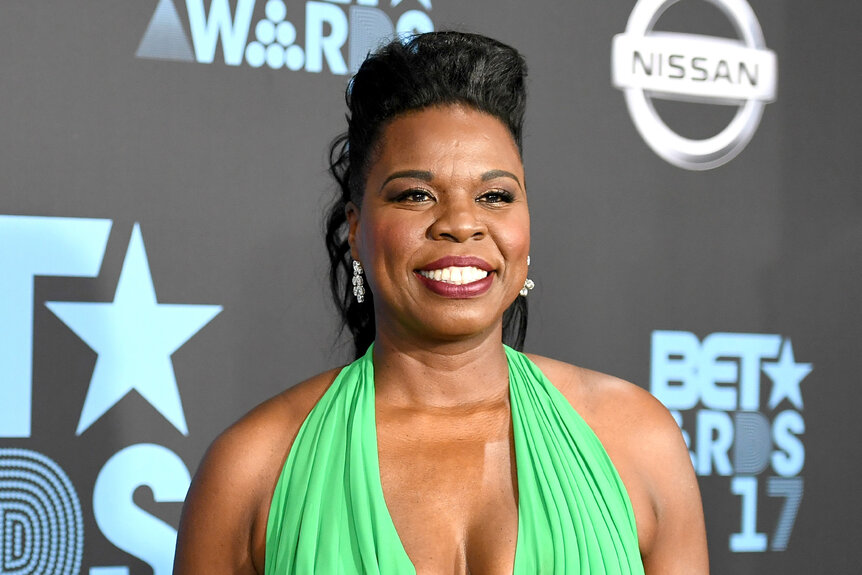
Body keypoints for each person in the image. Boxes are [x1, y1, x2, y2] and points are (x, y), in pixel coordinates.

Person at [173, 31, 708, 574]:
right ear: (356, 231)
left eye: (494, 196)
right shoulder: (252, 469)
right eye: (415, 195)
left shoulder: (638, 441)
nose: (460, 223)